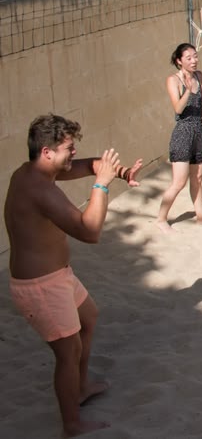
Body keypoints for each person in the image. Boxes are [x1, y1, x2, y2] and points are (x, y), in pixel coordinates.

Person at [5, 114, 142, 436]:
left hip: (57, 276)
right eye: (68, 147)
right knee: (68, 354)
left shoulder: (33, 171)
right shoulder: (40, 190)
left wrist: (121, 172)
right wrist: (102, 185)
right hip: (40, 287)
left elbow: (85, 165)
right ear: (47, 152)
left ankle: (81, 388)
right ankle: (72, 423)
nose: (74, 153)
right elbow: (90, 231)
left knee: (89, 318)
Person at [155, 43, 202, 233]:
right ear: (179, 61)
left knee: (197, 177)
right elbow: (178, 109)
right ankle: (161, 219)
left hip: (199, 131)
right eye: (188, 58)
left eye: (195, 56)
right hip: (183, 133)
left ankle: (201, 216)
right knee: (179, 182)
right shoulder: (173, 80)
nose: (194, 60)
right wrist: (188, 90)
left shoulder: (199, 75)